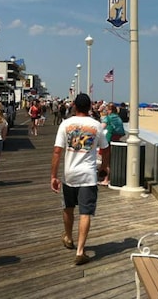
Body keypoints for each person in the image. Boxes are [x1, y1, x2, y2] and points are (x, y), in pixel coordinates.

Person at [51, 93, 109, 266]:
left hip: (69, 174)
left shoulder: (66, 124)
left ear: (74, 105)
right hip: (88, 176)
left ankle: (68, 237)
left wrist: (53, 175)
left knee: (68, 208)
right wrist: (104, 167)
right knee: (85, 213)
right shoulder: (96, 125)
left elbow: (57, 151)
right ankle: (80, 251)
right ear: (90, 107)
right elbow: (106, 148)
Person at [99, 103, 126, 186]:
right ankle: (108, 178)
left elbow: (100, 128)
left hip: (108, 140)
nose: (106, 111)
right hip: (116, 140)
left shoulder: (108, 118)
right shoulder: (118, 118)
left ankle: (106, 179)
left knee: (106, 160)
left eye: (107, 110)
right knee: (111, 161)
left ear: (110, 110)